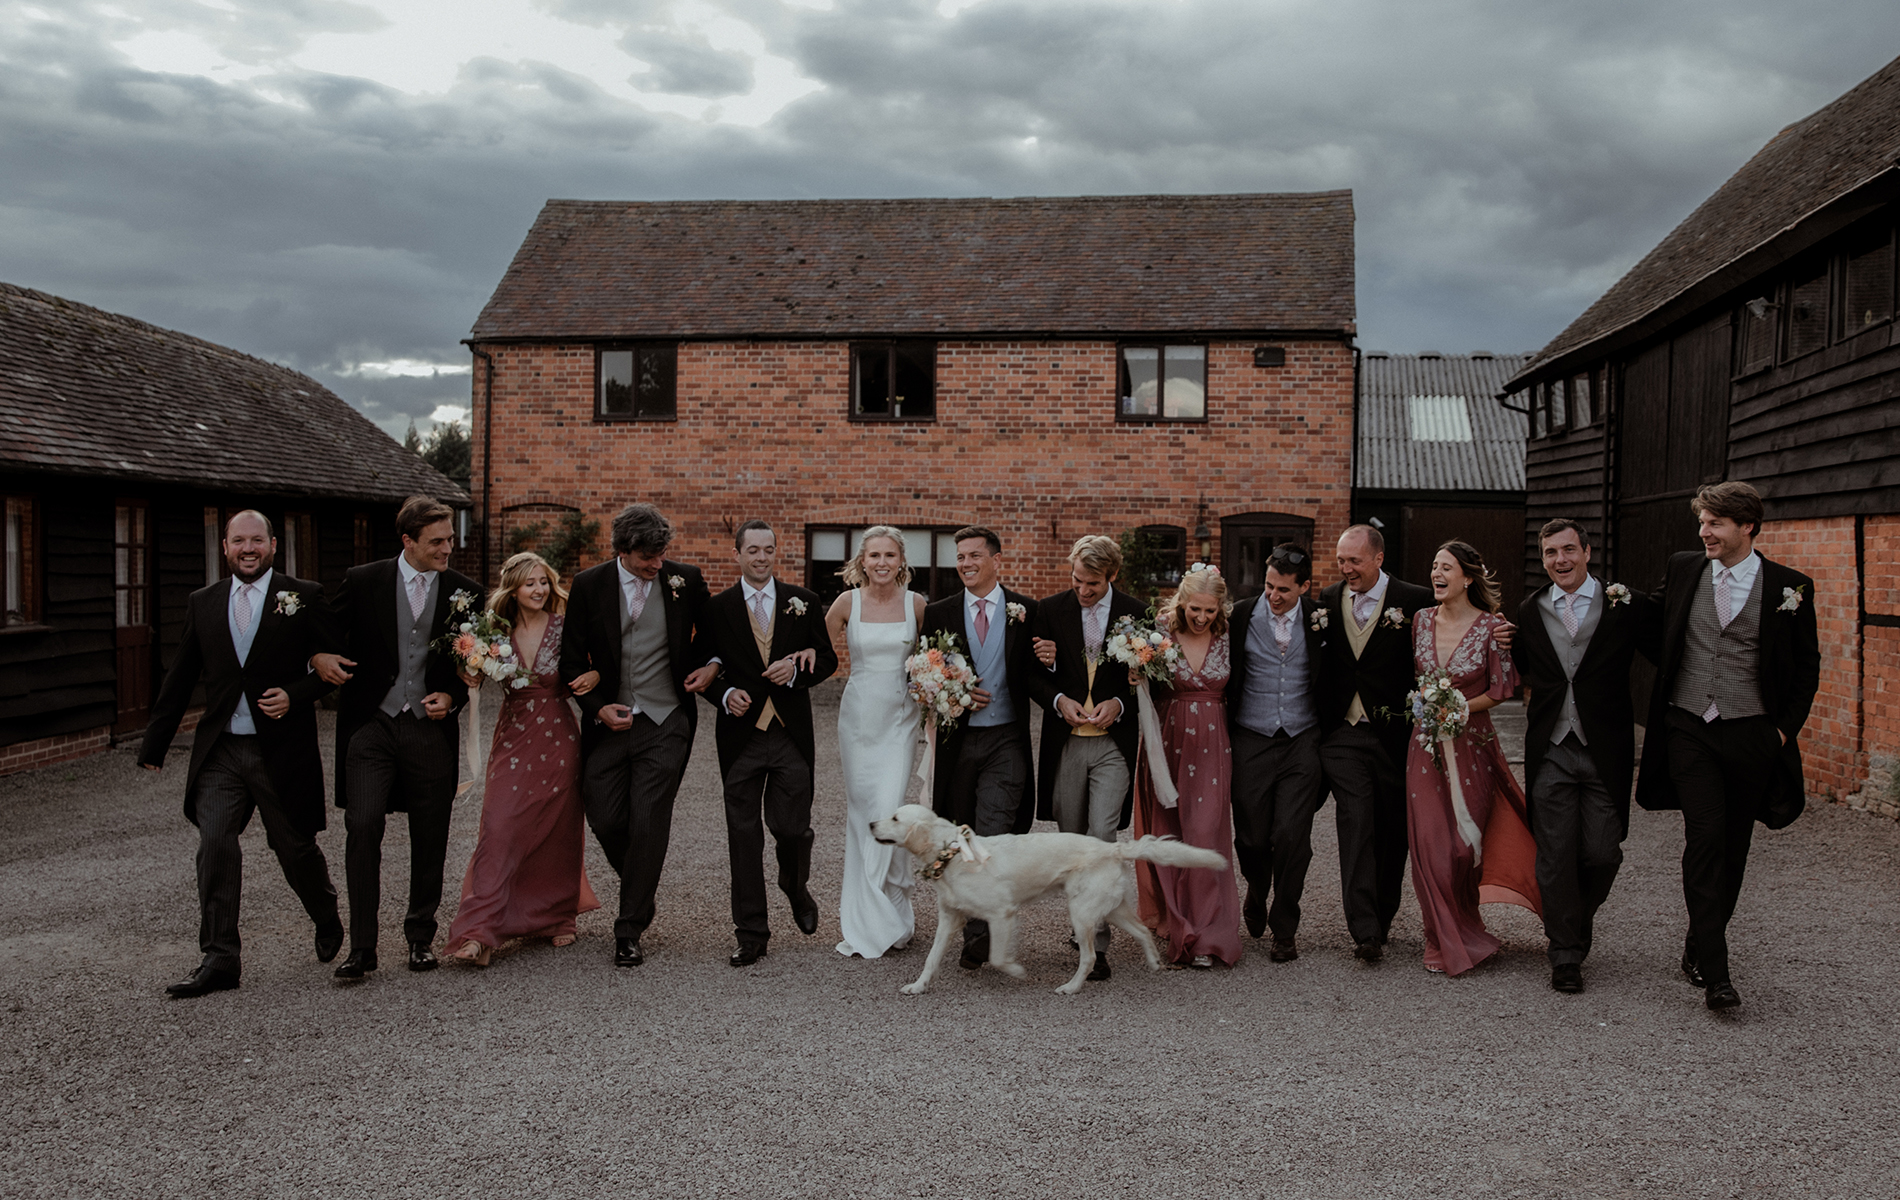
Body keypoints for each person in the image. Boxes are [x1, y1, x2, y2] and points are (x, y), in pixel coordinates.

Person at [138, 510, 344, 997]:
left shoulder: (304, 596)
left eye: (257, 540)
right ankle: (220, 958)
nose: (247, 549)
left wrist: (296, 693)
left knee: (293, 848)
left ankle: (324, 909)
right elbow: (181, 676)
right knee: (215, 843)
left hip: (280, 749)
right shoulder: (203, 603)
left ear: (273, 545)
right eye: (238, 541)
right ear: (225, 547)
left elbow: (336, 667)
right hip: (222, 751)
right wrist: (155, 744)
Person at [1635, 481, 1820, 1011]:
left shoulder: (1791, 587)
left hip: (1750, 733)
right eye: (1702, 522)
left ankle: (1699, 943)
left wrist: (1781, 731)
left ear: (1747, 527)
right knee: (1706, 838)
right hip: (1690, 725)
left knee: (1734, 847)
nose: (1704, 532)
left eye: (1714, 523)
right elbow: (1655, 627)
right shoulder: (1685, 567)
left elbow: (1807, 667)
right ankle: (1718, 974)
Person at [313, 496, 483, 979]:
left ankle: (419, 938)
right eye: (437, 542)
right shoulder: (363, 581)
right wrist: (317, 658)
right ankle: (362, 948)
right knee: (363, 825)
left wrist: (451, 695)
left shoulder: (465, 591)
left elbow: (471, 661)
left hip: (429, 728)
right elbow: (322, 628)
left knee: (430, 832)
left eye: (450, 538)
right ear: (407, 541)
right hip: (371, 724)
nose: (448, 548)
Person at [558, 503, 715, 968]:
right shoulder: (589, 586)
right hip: (611, 721)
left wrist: (711, 666)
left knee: (648, 819)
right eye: (649, 557)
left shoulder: (685, 578)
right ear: (623, 551)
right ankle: (640, 887)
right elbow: (570, 660)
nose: (658, 564)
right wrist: (597, 707)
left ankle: (629, 929)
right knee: (604, 815)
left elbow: (712, 636)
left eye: (663, 554)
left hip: (667, 721)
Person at [1512, 519, 1656, 994]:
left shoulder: (1624, 603)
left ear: (1588, 552)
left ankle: (1576, 919)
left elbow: (1669, 650)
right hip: (1551, 748)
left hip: (1603, 748)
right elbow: (1523, 672)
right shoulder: (1530, 611)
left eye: (1569, 550)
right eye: (1551, 553)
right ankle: (1565, 954)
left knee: (1600, 851)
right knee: (1554, 856)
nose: (1561, 560)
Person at [442, 552, 602, 967]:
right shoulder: (492, 631)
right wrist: (469, 674)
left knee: (557, 828)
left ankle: (555, 916)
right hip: (513, 735)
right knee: (499, 827)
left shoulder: (566, 628)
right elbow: (469, 670)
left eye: (544, 582)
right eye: (530, 583)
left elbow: (600, 663)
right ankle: (479, 931)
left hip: (559, 737)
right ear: (513, 587)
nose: (539, 590)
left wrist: (596, 676)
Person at [696, 520, 838, 967]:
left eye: (768, 549)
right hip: (741, 738)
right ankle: (751, 933)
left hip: (790, 734)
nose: (761, 557)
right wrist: (722, 694)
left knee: (793, 829)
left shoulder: (805, 602)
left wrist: (797, 673)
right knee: (743, 836)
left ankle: (794, 886)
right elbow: (702, 666)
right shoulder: (717, 608)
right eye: (752, 550)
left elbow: (828, 660)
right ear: (737, 554)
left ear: (776, 553)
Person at [1404, 540, 1540, 976]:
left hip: (1472, 745)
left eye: (1446, 568)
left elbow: (1502, 690)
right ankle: (1439, 938)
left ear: (1467, 577)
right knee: (1431, 846)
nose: (1437, 574)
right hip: (1424, 745)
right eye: (1434, 566)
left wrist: (1458, 707)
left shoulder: (1491, 628)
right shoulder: (1421, 621)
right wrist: (1432, 706)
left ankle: (1466, 924)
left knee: (1464, 849)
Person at [920, 525, 1039, 971]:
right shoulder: (939, 612)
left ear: (996, 560)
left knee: (993, 830)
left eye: (974, 556)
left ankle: (980, 936)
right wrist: (956, 695)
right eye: (961, 557)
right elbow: (923, 677)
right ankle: (978, 920)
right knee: (962, 834)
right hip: (958, 742)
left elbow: (1042, 670)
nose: (966, 564)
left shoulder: (1026, 611)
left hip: (1007, 739)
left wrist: (1049, 657)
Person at [1313, 524, 1434, 961]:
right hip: (1343, 734)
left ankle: (1383, 914)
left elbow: (1448, 634)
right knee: (1356, 821)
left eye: (1354, 561)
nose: (1346, 569)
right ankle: (1364, 929)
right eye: (1341, 561)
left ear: (1378, 558)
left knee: (1391, 832)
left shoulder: (1416, 600)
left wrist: (1496, 631)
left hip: (1395, 735)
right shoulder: (1326, 601)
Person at [1028, 534, 1145, 978]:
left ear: (1111, 576)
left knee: (1101, 838)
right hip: (1067, 743)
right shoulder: (1051, 609)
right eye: (1077, 580)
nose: (1083, 590)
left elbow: (1149, 674)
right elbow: (1031, 675)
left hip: (1113, 746)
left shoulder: (1135, 613)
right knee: (1073, 839)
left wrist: (1119, 702)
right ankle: (1081, 926)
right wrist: (1058, 698)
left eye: (1092, 583)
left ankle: (1097, 945)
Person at [1131, 564, 1242, 968]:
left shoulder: (1229, 635)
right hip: (1167, 741)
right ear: (1182, 601)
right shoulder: (1159, 630)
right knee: (1169, 833)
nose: (1201, 618)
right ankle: (1178, 922)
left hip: (1213, 744)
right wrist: (1134, 673)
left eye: (1210, 611)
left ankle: (1209, 933)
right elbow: (1140, 676)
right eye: (1195, 609)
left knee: (1205, 832)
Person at [825, 527, 928, 959]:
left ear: (901, 560)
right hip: (858, 719)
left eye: (889, 555)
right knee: (862, 812)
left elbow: (932, 659)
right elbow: (819, 654)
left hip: (901, 719)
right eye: (874, 555)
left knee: (890, 809)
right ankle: (873, 915)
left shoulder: (917, 604)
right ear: (862, 561)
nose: (882, 562)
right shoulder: (845, 604)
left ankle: (890, 904)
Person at [1225, 543, 1327, 963]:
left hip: (1302, 737)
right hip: (1251, 734)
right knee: (1250, 837)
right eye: (1269, 585)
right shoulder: (1242, 615)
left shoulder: (1321, 619)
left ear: (1304, 587)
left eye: (1284, 589)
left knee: (1291, 835)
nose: (1273, 595)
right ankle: (1256, 886)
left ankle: (1285, 927)